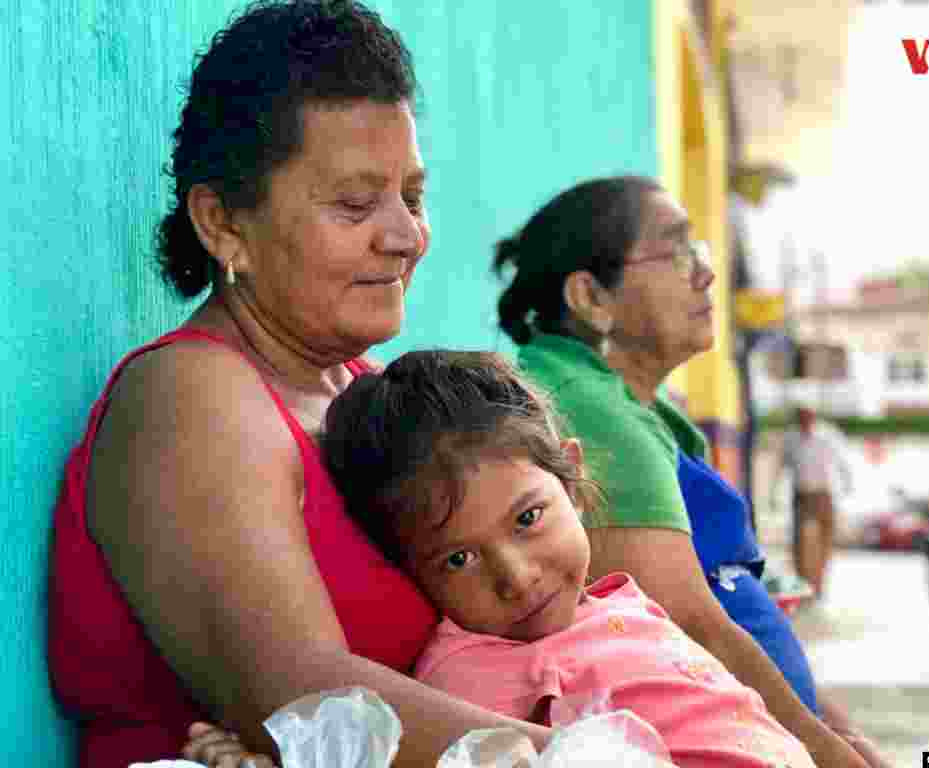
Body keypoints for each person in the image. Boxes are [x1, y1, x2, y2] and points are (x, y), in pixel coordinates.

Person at [47, 4, 552, 766]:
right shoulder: (190, 398)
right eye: (355, 204)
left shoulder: (371, 396)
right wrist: (593, 753)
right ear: (222, 225)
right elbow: (303, 702)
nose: (405, 235)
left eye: (412, 197)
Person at [183, 351, 818, 768]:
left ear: (570, 475)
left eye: (528, 518)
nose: (515, 578)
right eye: (458, 558)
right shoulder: (473, 671)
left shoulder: (618, 602)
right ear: (410, 572)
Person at [492, 176, 886, 768]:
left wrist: (833, 726)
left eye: (698, 252)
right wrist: (827, 753)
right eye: (677, 253)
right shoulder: (587, 410)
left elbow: (733, 609)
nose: (704, 274)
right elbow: (687, 626)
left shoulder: (636, 402)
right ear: (592, 298)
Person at [778, 405, 854, 597]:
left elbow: (843, 461)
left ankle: (819, 585)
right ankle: (803, 584)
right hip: (801, 494)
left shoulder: (828, 435)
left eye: (807, 414)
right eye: (800, 415)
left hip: (823, 494)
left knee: (825, 540)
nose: (804, 419)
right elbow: (783, 466)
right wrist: (776, 495)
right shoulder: (791, 437)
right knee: (800, 543)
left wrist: (847, 486)